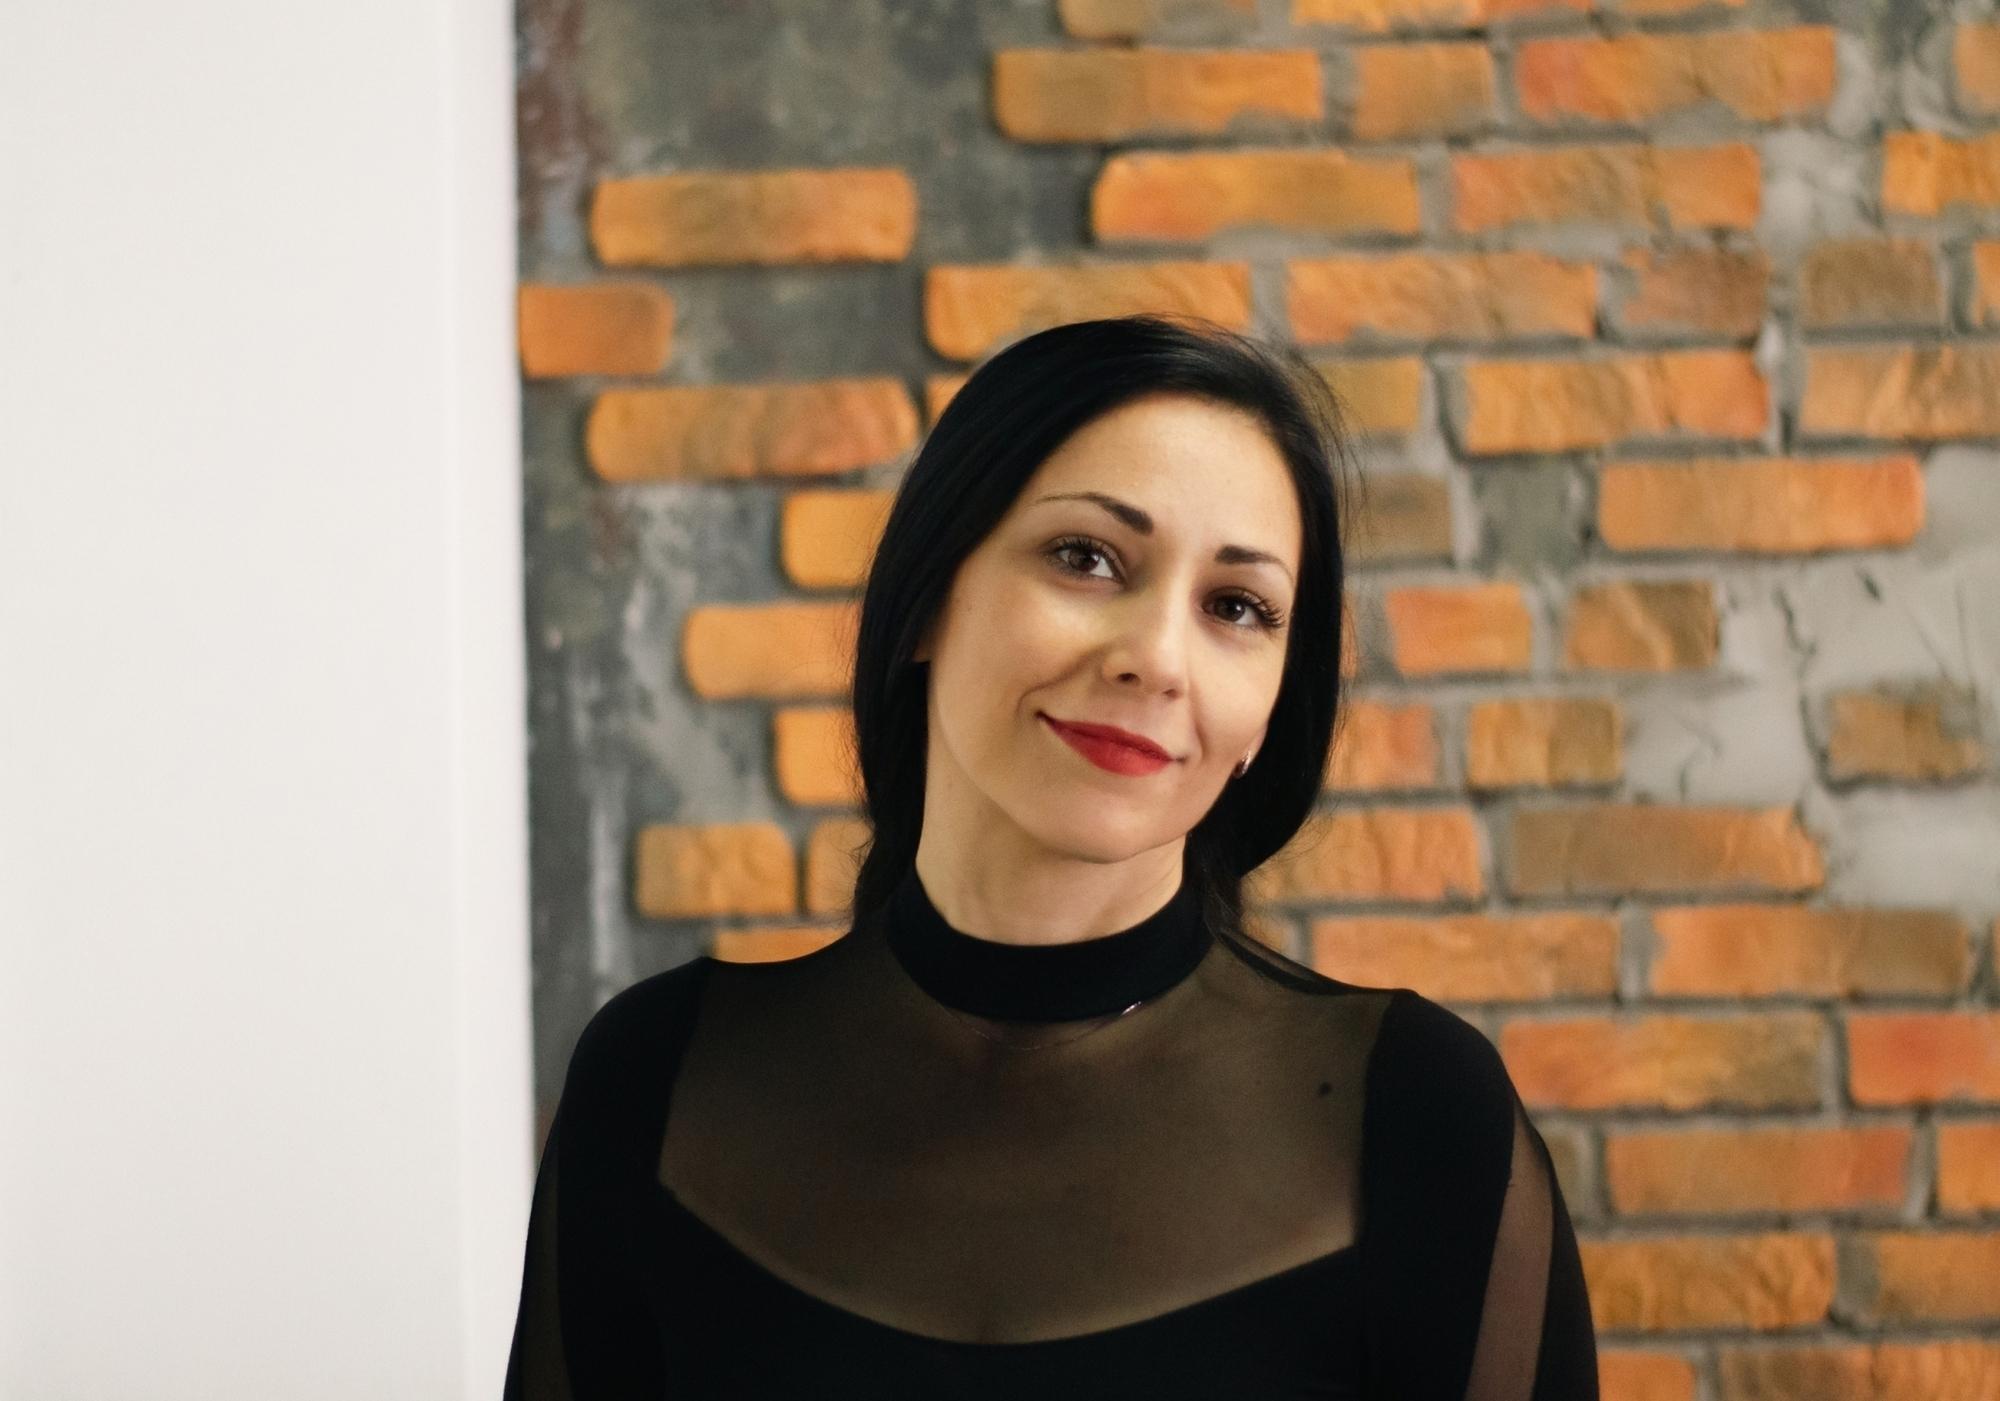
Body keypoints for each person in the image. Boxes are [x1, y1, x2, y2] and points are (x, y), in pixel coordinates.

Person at [502, 315, 1600, 1399]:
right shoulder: (659, 1083)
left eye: (1236, 606)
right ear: (929, 596)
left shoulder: (1416, 1121)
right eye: (1086, 558)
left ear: (1268, 713)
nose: (1156, 659)